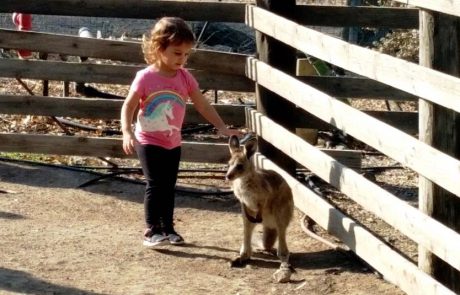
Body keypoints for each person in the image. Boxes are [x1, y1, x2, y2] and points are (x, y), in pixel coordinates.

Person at [121, 17, 240, 248]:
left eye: (186, 54)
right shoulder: (145, 77)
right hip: (148, 140)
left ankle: (169, 228)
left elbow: (203, 104)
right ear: (159, 48)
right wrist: (126, 131)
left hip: (172, 142)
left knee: (169, 185)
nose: (182, 59)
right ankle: (151, 230)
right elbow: (128, 105)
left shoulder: (185, 77)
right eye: (177, 53)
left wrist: (222, 127)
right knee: (155, 184)